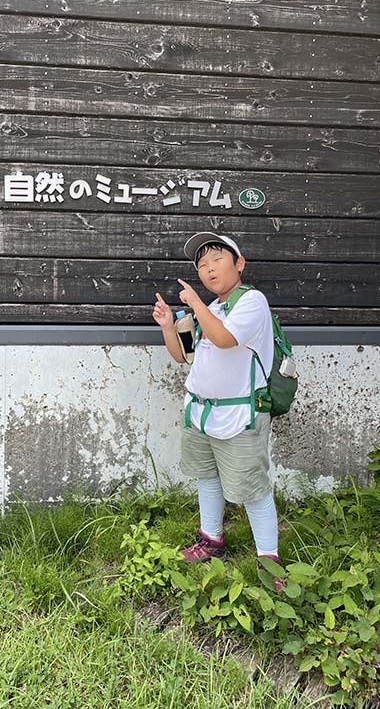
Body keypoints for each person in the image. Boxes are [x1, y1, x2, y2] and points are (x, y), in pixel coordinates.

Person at [152, 231, 284, 589]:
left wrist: (194, 303)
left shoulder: (252, 302)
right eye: (202, 264)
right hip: (201, 413)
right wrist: (168, 326)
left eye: (216, 260)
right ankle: (212, 540)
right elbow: (184, 355)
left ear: (239, 263)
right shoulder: (213, 309)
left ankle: (269, 561)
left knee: (252, 489)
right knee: (207, 478)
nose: (208, 269)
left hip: (240, 416)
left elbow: (225, 339)